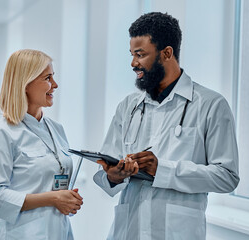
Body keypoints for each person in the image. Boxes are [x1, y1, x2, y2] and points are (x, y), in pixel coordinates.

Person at [94, 12, 239, 240]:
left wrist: (163, 169)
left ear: (167, 53)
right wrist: (114, 175)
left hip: (177, 232)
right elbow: (104, 169)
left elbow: (227, 177)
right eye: (132, 55)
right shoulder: (128, 106)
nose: (133, 63)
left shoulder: (211, 104)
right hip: (128, 231)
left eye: (140, 55)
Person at [0, 49, 83, 240]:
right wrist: (52, 198)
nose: (55, 85)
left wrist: (67, 199)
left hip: (61, 232)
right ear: (25, 83)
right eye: (48, 78)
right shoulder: (2, 132)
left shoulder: (57, 129)